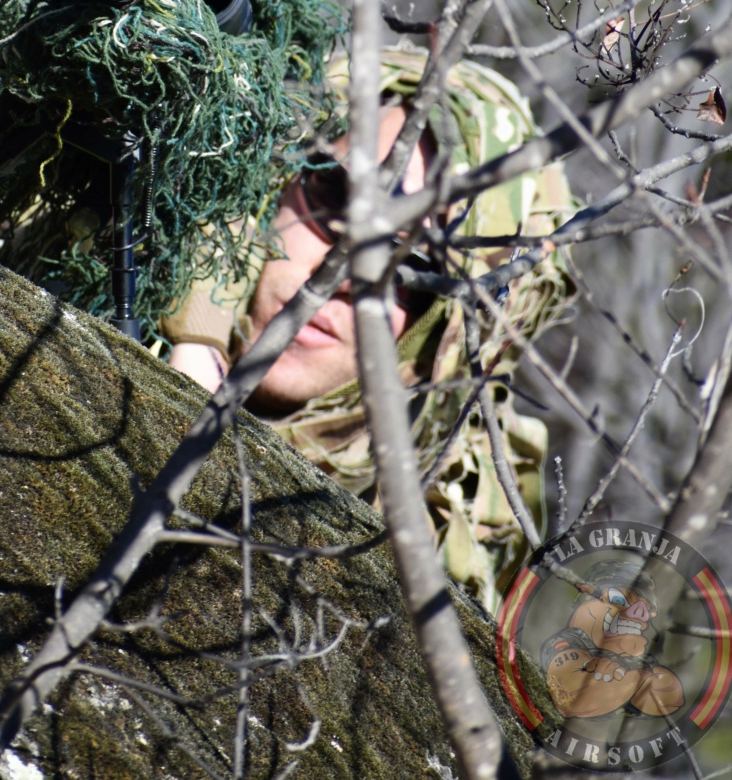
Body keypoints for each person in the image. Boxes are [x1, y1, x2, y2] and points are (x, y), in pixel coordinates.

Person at [163, 47, 575, 611]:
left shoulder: (434, 567)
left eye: (415, 259)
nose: (347, 274)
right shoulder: (86, 272)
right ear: (267, 185)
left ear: (445, 338)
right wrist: (191, 340)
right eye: (336, 195)